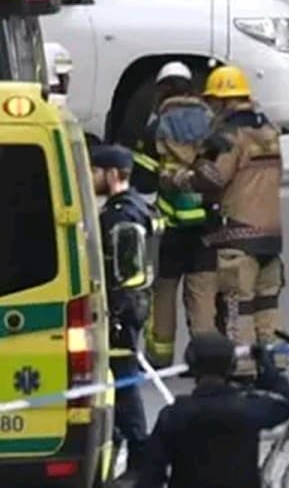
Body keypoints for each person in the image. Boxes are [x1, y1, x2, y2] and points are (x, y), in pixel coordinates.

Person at [173, 65, 286, 377]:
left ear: (223, 101)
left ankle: (243, 365)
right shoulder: (269, 132)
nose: (210, 108)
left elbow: (213, 176)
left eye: (212, 102)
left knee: (239, 304)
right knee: (267, 304)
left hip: (238, 234)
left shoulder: (226, 136)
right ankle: (273, 361)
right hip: (271, 236)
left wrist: (183, 178)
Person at [131, 61, 220, 369]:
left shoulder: (156, 128)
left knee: (163, 292)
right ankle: (206, 358)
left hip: (169, 228)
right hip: (209, 226)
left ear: (163, 90)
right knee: (203, 293)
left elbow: (142, 183)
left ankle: (160, 356)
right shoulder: (213, 125)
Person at [135, 333, 289, 488]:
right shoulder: (248, 409)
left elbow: (150, 477)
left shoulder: (174, 415)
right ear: (232, 366)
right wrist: (267, 367)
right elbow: (286, 404)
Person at [91, 144, 159, 483]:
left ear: (112, 174)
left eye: (95, 171)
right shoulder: (137, 208)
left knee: (124, 384)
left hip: (121, 312)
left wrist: (115, 309)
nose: (90, 177)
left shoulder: (119, 216)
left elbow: (120, 273)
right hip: (132, 309)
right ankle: (121, 447)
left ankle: (140, 459)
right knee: (119, 383)